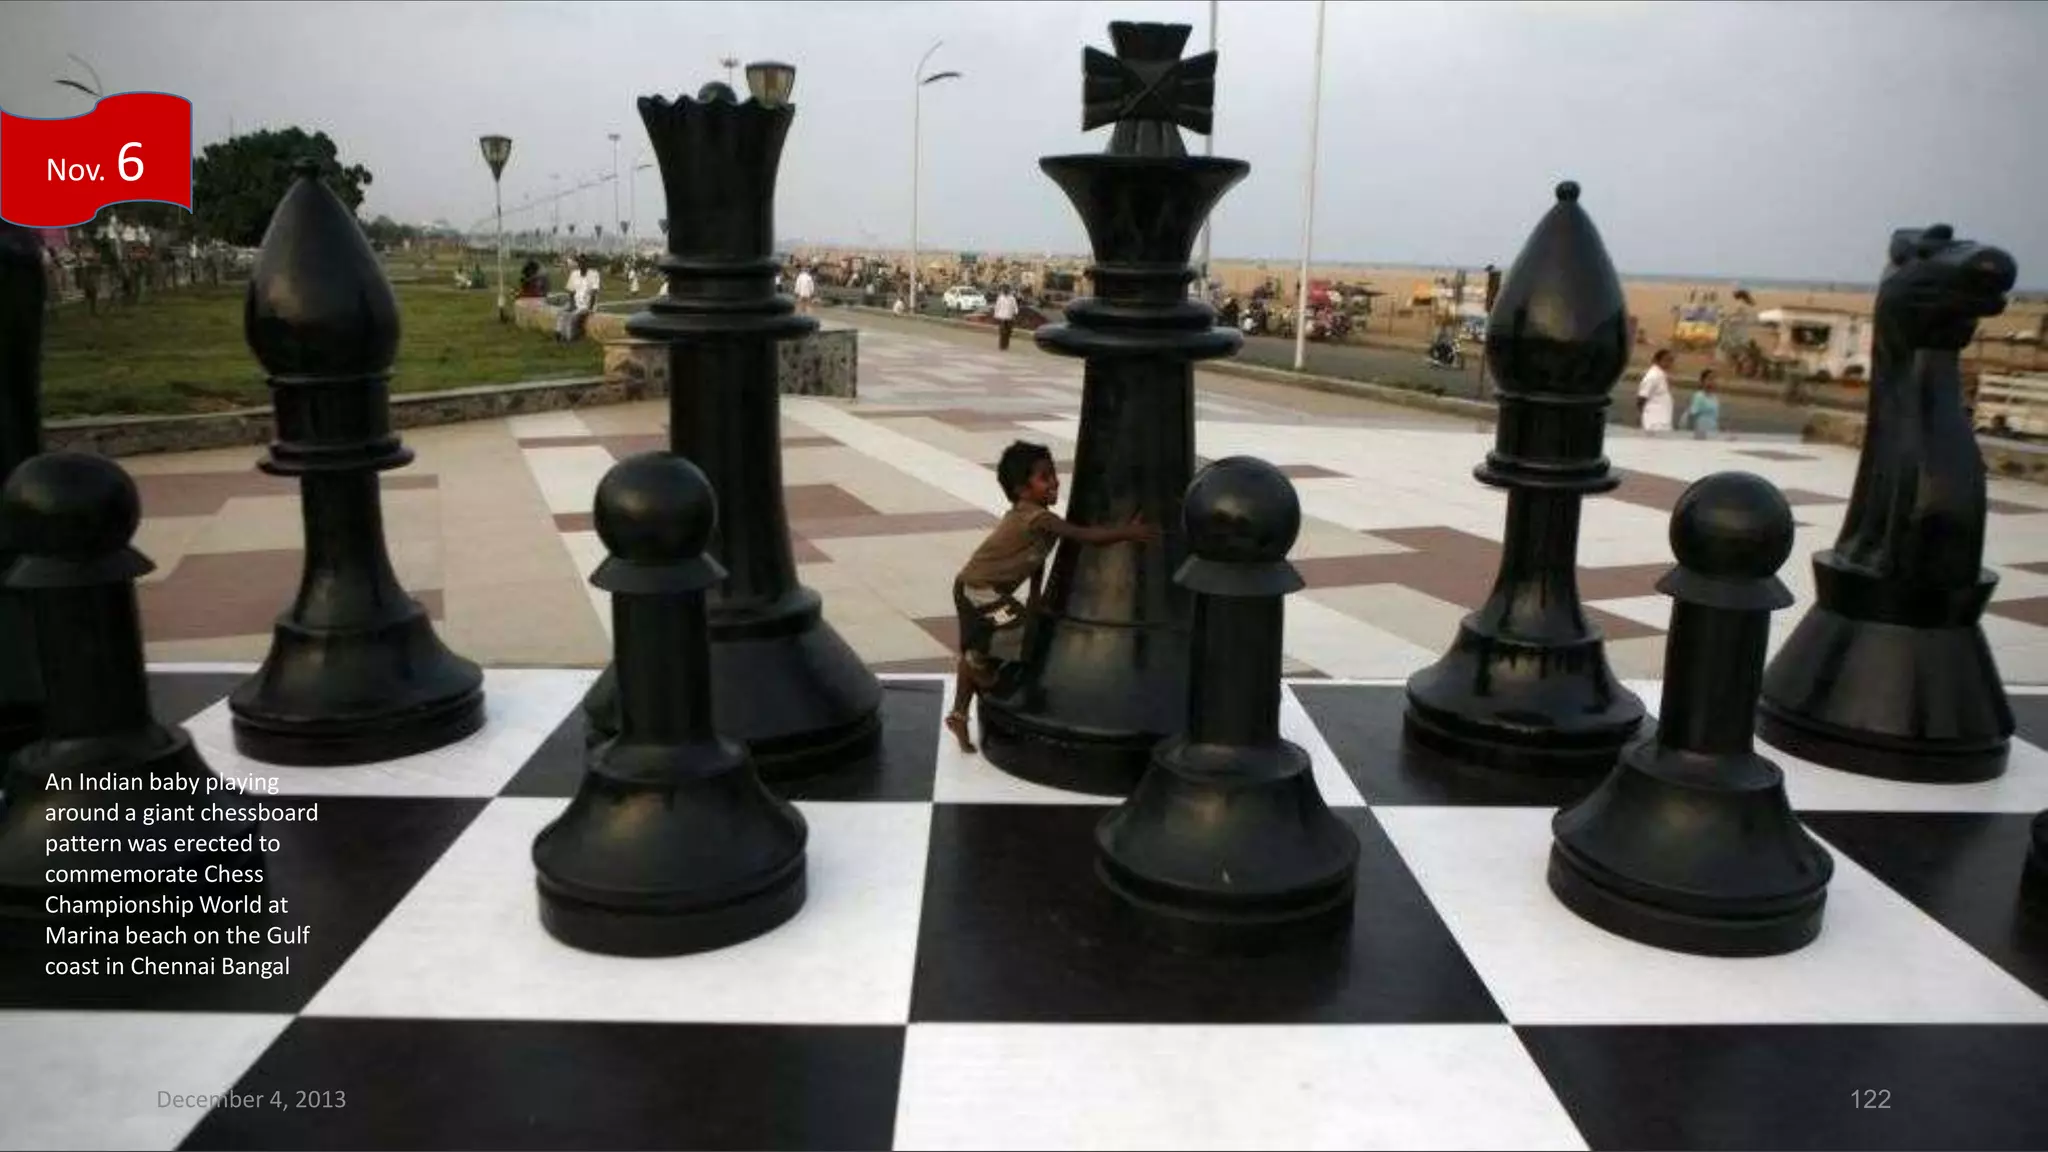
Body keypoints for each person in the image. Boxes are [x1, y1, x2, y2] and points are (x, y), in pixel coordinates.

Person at [946, 441, 1160, 753]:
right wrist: (1128, 533)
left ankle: (959, 714)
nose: (1055, 481)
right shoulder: (1037, 518)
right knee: (1017, 631)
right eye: (1044, 477)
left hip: (985, 590)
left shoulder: (1038, 520)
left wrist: (1036, 598)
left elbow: (1035, 562)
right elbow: (1084, 536)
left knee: (992, 642)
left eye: (1053, 474)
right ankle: (985, 678)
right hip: (976, 590)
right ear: (1022, 490)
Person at [1638, 348, 1675, 433]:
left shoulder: (1661, 375)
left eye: (1671, 360)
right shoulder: (1652, 376)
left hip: (1662, 421)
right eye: (1666, 360)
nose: (1669, 363)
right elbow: (1641, 398)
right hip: (1654, 422)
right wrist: (1646, 415)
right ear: (1657, 360)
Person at [1687, 370, 1723, 439]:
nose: (1712, 382)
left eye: (1714, 379)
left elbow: (1715, 417)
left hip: (1713, 432)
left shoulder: (1714, 398)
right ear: (1703, 381)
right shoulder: (1699, 396)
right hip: (1701, 433)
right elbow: (1692, 415)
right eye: (1709, 379)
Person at [993, 285, 1020, 350]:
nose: (1005, 291)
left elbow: (1015, 307)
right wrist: (995, 315)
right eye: (1004, 289)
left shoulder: (1012, 298)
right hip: (1002, 317)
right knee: (1002, 332)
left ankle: (1006, 345)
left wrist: (1015, 313)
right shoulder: (1000, 298)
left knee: (1008, 332)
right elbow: (997, 306)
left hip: (1009, 317)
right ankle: (1001, 345)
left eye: (1006, 289)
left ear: (1009, 290)